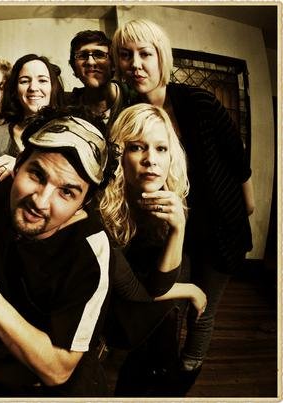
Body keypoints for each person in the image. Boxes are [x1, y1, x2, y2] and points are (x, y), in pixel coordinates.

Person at [0, 110, 193, 397]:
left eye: (67, 192)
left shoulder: (90, 252)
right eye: (36, 175)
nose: (40, 201)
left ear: (84, 202)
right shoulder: (2, 185)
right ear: (18, 165)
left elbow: (58, 369)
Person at [112, 18, 254, 394]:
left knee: (202, 312)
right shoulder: (129, 113)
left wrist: (248, 204)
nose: (135, 64)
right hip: (176, 230)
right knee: (172, 304)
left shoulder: (198, 102)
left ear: (162, 57)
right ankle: (164, 368)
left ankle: (186, 375)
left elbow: (236, 157)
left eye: (145, 54)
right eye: (125, 55)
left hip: (220, 227)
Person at [99, 103, 206, 396]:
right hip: (119, 328)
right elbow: (132, 290)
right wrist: (190, 290)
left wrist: (178, 227)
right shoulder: (102, 210)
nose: (151, 160)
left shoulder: (170, 200)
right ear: (119, 155)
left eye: (161, 149)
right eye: (137, 147)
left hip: (156, 319)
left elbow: (159, 285)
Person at [0, 54, 65, 183]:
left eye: (42, 80)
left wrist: (20, 167)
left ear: (53, 87)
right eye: (24, 81)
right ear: (15, 90)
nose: (33, 88)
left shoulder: (68, 132)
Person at [68, 30, 133, 135]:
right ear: (74, 68)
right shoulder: (68, 109)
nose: (90, 62)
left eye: (99, 55)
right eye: (82, 55)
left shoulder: (133, 99)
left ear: (113, 64)